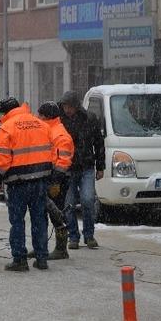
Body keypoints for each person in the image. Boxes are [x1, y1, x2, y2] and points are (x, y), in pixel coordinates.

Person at [0, 97, 54, 272]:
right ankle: (42, 258)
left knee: (17, 221)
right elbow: (52, 149)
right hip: (41, 180)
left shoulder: (7, 128)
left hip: (18, 182)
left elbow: (3, 160)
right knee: (39, 220)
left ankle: (20, 259)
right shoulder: (41, 124)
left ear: (5, 113)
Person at [59, 90, 105, 250]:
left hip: (86, 167)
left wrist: (100, 167)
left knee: (87, 200)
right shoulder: (60, 121)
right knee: (68, 204)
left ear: (76, 106)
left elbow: (99, 143)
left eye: (69, 106)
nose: (67, 109)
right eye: (65, 106)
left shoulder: (89, 119)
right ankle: (73, 236)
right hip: (67, 169)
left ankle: (89, 235)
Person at [31, 101, 74, 260]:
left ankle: (61, 248)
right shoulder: (49, 131)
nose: (37, 117)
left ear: (47, 117)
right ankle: (40, 247)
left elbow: (63, 162)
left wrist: (55, 182)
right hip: (48, 177)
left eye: (40, 115)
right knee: (41, 214)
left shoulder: (60, 135)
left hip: (58, 180)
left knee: (57, 214)